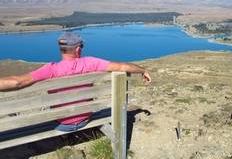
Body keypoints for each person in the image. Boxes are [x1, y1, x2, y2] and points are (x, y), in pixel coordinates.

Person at [0, 32, 151, 131]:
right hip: (85, 119)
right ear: (78, 49)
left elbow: (16, 82)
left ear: (62, 49)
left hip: (61, 124)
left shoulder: (50, 69)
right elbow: (122, 66)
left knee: (47, 109)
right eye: (82, 46)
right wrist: (143, 70)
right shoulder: (91, 63)